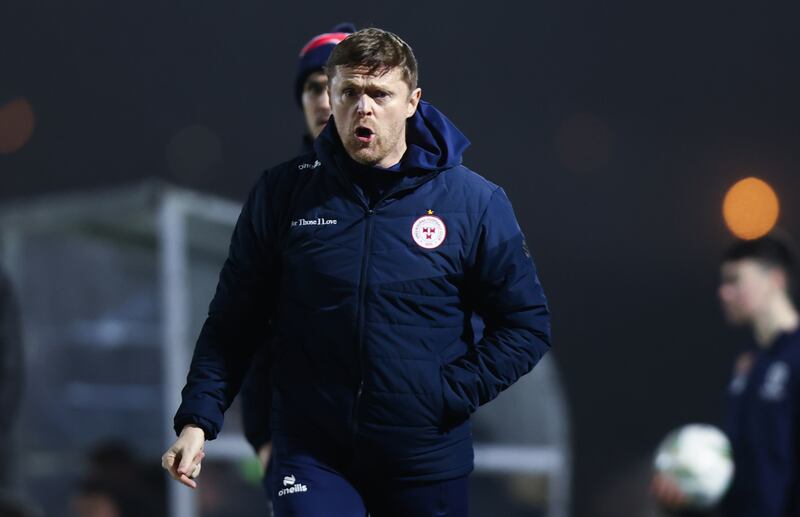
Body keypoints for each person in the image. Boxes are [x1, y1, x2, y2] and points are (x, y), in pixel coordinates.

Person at [162, 27, 551, 516]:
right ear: (332, 97)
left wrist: (446, 394)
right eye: (349, 92)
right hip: (311, 454)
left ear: (412, 102)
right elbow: (233, 321)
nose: (362, 107)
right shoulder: (283, 193)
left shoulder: (474, 203)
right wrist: (198, 420)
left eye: (379, 94)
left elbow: (526, 324)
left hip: (424, 458)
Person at [238, 21, 354, 483]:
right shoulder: (280, 197)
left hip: (402, 451)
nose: (324, 100)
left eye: (337, 86)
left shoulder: (419, 195)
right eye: (313, 87)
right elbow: (250, 325)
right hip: (303, 449)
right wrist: (262, 438)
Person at [653, 235, 800, 516]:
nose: (724, 292)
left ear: (776, 280)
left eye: (735, 280)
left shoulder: (795, 358)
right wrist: (689, 488)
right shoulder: (747, 365)